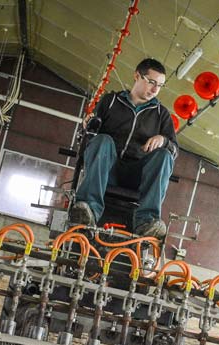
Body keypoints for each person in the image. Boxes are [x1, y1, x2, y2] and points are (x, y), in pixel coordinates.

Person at [70, 58, 178, 238]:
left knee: (165, 156)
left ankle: (147, 220)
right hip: (106, 170)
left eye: (159, 85)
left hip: (137, 176)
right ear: (137, 75)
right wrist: (87, 125)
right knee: (102, 140)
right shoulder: (111, 101)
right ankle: (87, 209)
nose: (155, 90)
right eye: (151, 82)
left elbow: (175, 150)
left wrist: (164, 140)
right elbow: (91, 133)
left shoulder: (161, 114)